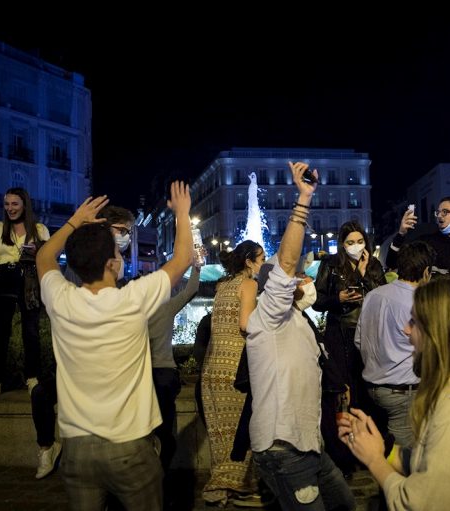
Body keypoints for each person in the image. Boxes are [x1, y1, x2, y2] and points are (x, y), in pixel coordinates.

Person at [36, 182, 193, 511]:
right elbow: (181, 260)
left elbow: (44, 256)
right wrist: (182, 213)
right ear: (110, 265)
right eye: (118, 253)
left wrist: (76, 220)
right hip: (128, 448)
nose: (121, 255)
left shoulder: (59, 299)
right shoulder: (132, 301)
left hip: (76, 452)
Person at [338, 274, 450, 510]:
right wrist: (383, 447)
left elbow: (414, 504)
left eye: (414, 322)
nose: (406, 330)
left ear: (440, 334)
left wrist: (374, 460)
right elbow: (433, 464)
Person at [247, 161, 355, 511]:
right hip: (285, 449)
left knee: (345, 504)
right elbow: (288, 262)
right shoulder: (270, 315)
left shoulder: (298, 319)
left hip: (309, 445)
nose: (308, 282)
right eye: (302, 278)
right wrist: (303, 199)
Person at [201, 240, 265, 506]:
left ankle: (220, 485)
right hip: (234, 366)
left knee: (219, 431)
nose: (262, 263)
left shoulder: (221, 285)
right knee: (240, 429)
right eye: (260, 259)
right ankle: (238, 485)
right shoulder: (249, 285)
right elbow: (245, 323)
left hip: (212, 367)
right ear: (249, 262)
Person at [355, 240, 435, 447]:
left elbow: (359, 340)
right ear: (426, 272)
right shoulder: (417, 302)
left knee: (386, 447)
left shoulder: (373, 295)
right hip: (402, 392)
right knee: (404, 458)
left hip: (373, 387)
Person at [0, 187, 50, 400]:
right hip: (4, 279)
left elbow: (47, 258)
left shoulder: (39, 229)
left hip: (29, 280)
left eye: (14, 204)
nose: (10, 208)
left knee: (31, 332)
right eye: (7, 204)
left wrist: (38, 251)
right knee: (0, 333)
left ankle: (32, 379)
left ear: (24, 205)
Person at [313, 221, 386, 412]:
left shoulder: (374, 265)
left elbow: (383, 297)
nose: (356, 246)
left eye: (360, 241)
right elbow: (317, 300)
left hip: (368, 332)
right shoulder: (331, 265)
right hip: (340, 333)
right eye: (350, 242)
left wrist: (363, 274)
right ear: (342, 244)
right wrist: (337, 298)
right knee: (343, 387)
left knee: (366, 388)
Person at [148, 264, 201, 473]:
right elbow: (191, 290)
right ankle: (163, 464)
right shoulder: (165, 307)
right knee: (165, 423)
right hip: (164, 374)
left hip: (142, 374)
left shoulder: (131, 311)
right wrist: (197, 268)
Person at [386, 197, 450, 289]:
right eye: (438, 212)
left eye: (445, 212)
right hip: (431, 306)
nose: (439, 216)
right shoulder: (427, 242)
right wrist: (401, 234)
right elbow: (391, 262)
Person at [63, 205, 135, 286]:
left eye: (129, 233)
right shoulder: (84, 257)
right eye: (122, 231)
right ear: (104, 227)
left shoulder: (117, 258)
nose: (126, 236)